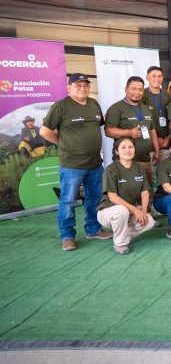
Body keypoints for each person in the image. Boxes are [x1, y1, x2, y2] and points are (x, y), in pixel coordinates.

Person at [40, 73, 111, 251]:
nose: (82, 88)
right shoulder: (61, 106)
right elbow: (44, 131)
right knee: (68, 201)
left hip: (95, 163)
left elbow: (97, 126)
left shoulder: (94, 104)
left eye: (86, 85)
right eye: (78, 85)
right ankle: (67, 236)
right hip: (72, 166)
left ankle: (93, 230)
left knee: (95, 199)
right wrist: (63, 143)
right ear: (69, 88)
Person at [96, 137, 155, 254]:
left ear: (134, 150)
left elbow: (144, 192)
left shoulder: (139, 168)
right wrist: (135, 210)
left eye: (130, 147)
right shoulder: (111, 169)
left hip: (129, 211)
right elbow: (113, 197)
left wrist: (143, 211)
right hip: (108, 211)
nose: (127, 150)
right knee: (121, 210)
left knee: (149, 221)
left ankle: (122, 235)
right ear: (116, 151)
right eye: (123, 147)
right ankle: (120, 244)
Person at [104, 76, 159, 201]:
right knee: (127, 195)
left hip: (145, 160)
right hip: (126, 161)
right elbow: (108, 131)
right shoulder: (116, 108)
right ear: (126, 89)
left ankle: (147, 212)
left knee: (147, 193)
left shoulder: (145, 108)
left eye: (140, 89)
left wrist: (156, 150)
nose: (137, 92)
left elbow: (152, 130)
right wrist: (129, 132)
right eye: (133, 89)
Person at [142, 66, 171, 160]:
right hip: (149, 146)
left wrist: (169, 137)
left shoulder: (168, 96)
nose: (157, 79)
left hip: (166, 144)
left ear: (162, 78)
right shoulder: (142, 95)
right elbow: (140, 120)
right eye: (154, 76)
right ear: (147, 78)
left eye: (159, 76)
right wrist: (154, 139)